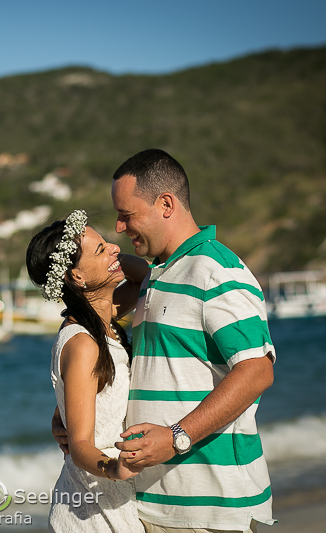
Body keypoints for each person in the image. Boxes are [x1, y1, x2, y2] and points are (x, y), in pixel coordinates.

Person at [53, 149, 276, 533]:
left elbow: (257, 371)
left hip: (212, 507)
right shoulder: (158, 275)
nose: (120, 228)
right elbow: (99, 335)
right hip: (149, 505)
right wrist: (73, 417)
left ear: (166, 204)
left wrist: (176, 438)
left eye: (127, 215)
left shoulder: (216, 272)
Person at [26, 209, 149, 532]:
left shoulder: (104, 316)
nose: (114, 248)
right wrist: (114, 468)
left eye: (108, 243)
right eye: (100, 249)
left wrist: (62, 409)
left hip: (108, 498)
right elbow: (80, 445)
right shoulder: (82, 342)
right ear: (76, 277)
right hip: (92, 506)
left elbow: (146, 275)